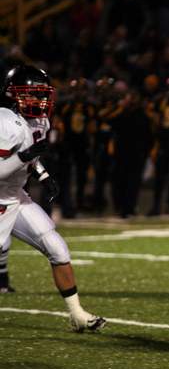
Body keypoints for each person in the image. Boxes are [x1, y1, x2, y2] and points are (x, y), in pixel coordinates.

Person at [0, 65, 106, 332]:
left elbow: (31, 155)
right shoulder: (4, 122)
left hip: (15, 197)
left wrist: (43, 175)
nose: (40, 100)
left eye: (42, 94)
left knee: (57, 248)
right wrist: (24, 157)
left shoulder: (39, 121)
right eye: (33, 94)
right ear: (13, 94)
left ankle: (77, 314)